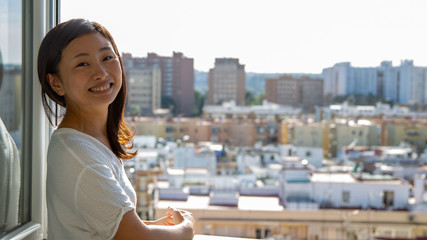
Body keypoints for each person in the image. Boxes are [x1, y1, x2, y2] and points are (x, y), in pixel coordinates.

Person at [37, 18, 195, 240]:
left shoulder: (91, 141)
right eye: (83, 63)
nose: (101, 72)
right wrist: (186, 228)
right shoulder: (80, 156)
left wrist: (154, 226)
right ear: (56, 83)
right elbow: (139, 238)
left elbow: (101, 226)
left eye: (107, 57)